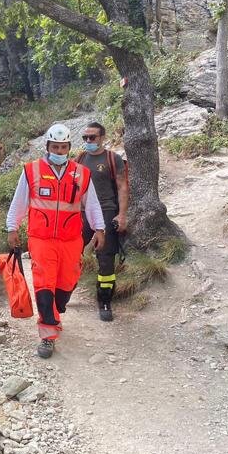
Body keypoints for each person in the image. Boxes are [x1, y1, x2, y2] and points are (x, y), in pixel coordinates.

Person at [7, 124, 105, 359]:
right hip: (41, 239)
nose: (59, 151)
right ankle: (48, 333)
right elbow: (19, 201)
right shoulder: (31, 171)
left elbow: (92, 204)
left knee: (67, 283)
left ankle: (57, 308)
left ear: (69, 148)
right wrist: (12, 227)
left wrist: (99, 228)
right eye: (55, 147)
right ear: (47, 147)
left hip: (71, 239)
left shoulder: (81, 173)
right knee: (44, 283)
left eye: (63, 147)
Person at [76, 121, 129, 322]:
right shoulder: (80, 158)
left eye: (92, 137)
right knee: (72, 252)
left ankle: (105, 301)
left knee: (106, 257)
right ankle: (65, 290)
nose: (88, 140)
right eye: (85, 137)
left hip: (106, 211)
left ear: (102, 137)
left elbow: (123, 187)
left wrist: (121, 215)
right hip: (82, 213)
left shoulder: (112, 159)